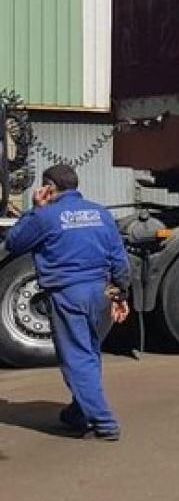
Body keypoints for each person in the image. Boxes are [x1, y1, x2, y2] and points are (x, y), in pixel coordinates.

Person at [3, 164, 130, 440]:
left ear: (48, 187)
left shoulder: (46, 216)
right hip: (101, 293)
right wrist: (120, 294)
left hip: (68, 294)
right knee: (89, 353)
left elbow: (14, 242)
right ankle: (78, 413)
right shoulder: (101, 213)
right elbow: (120, 259)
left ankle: (104, 422)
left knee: (77, 359)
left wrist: (35, 208)